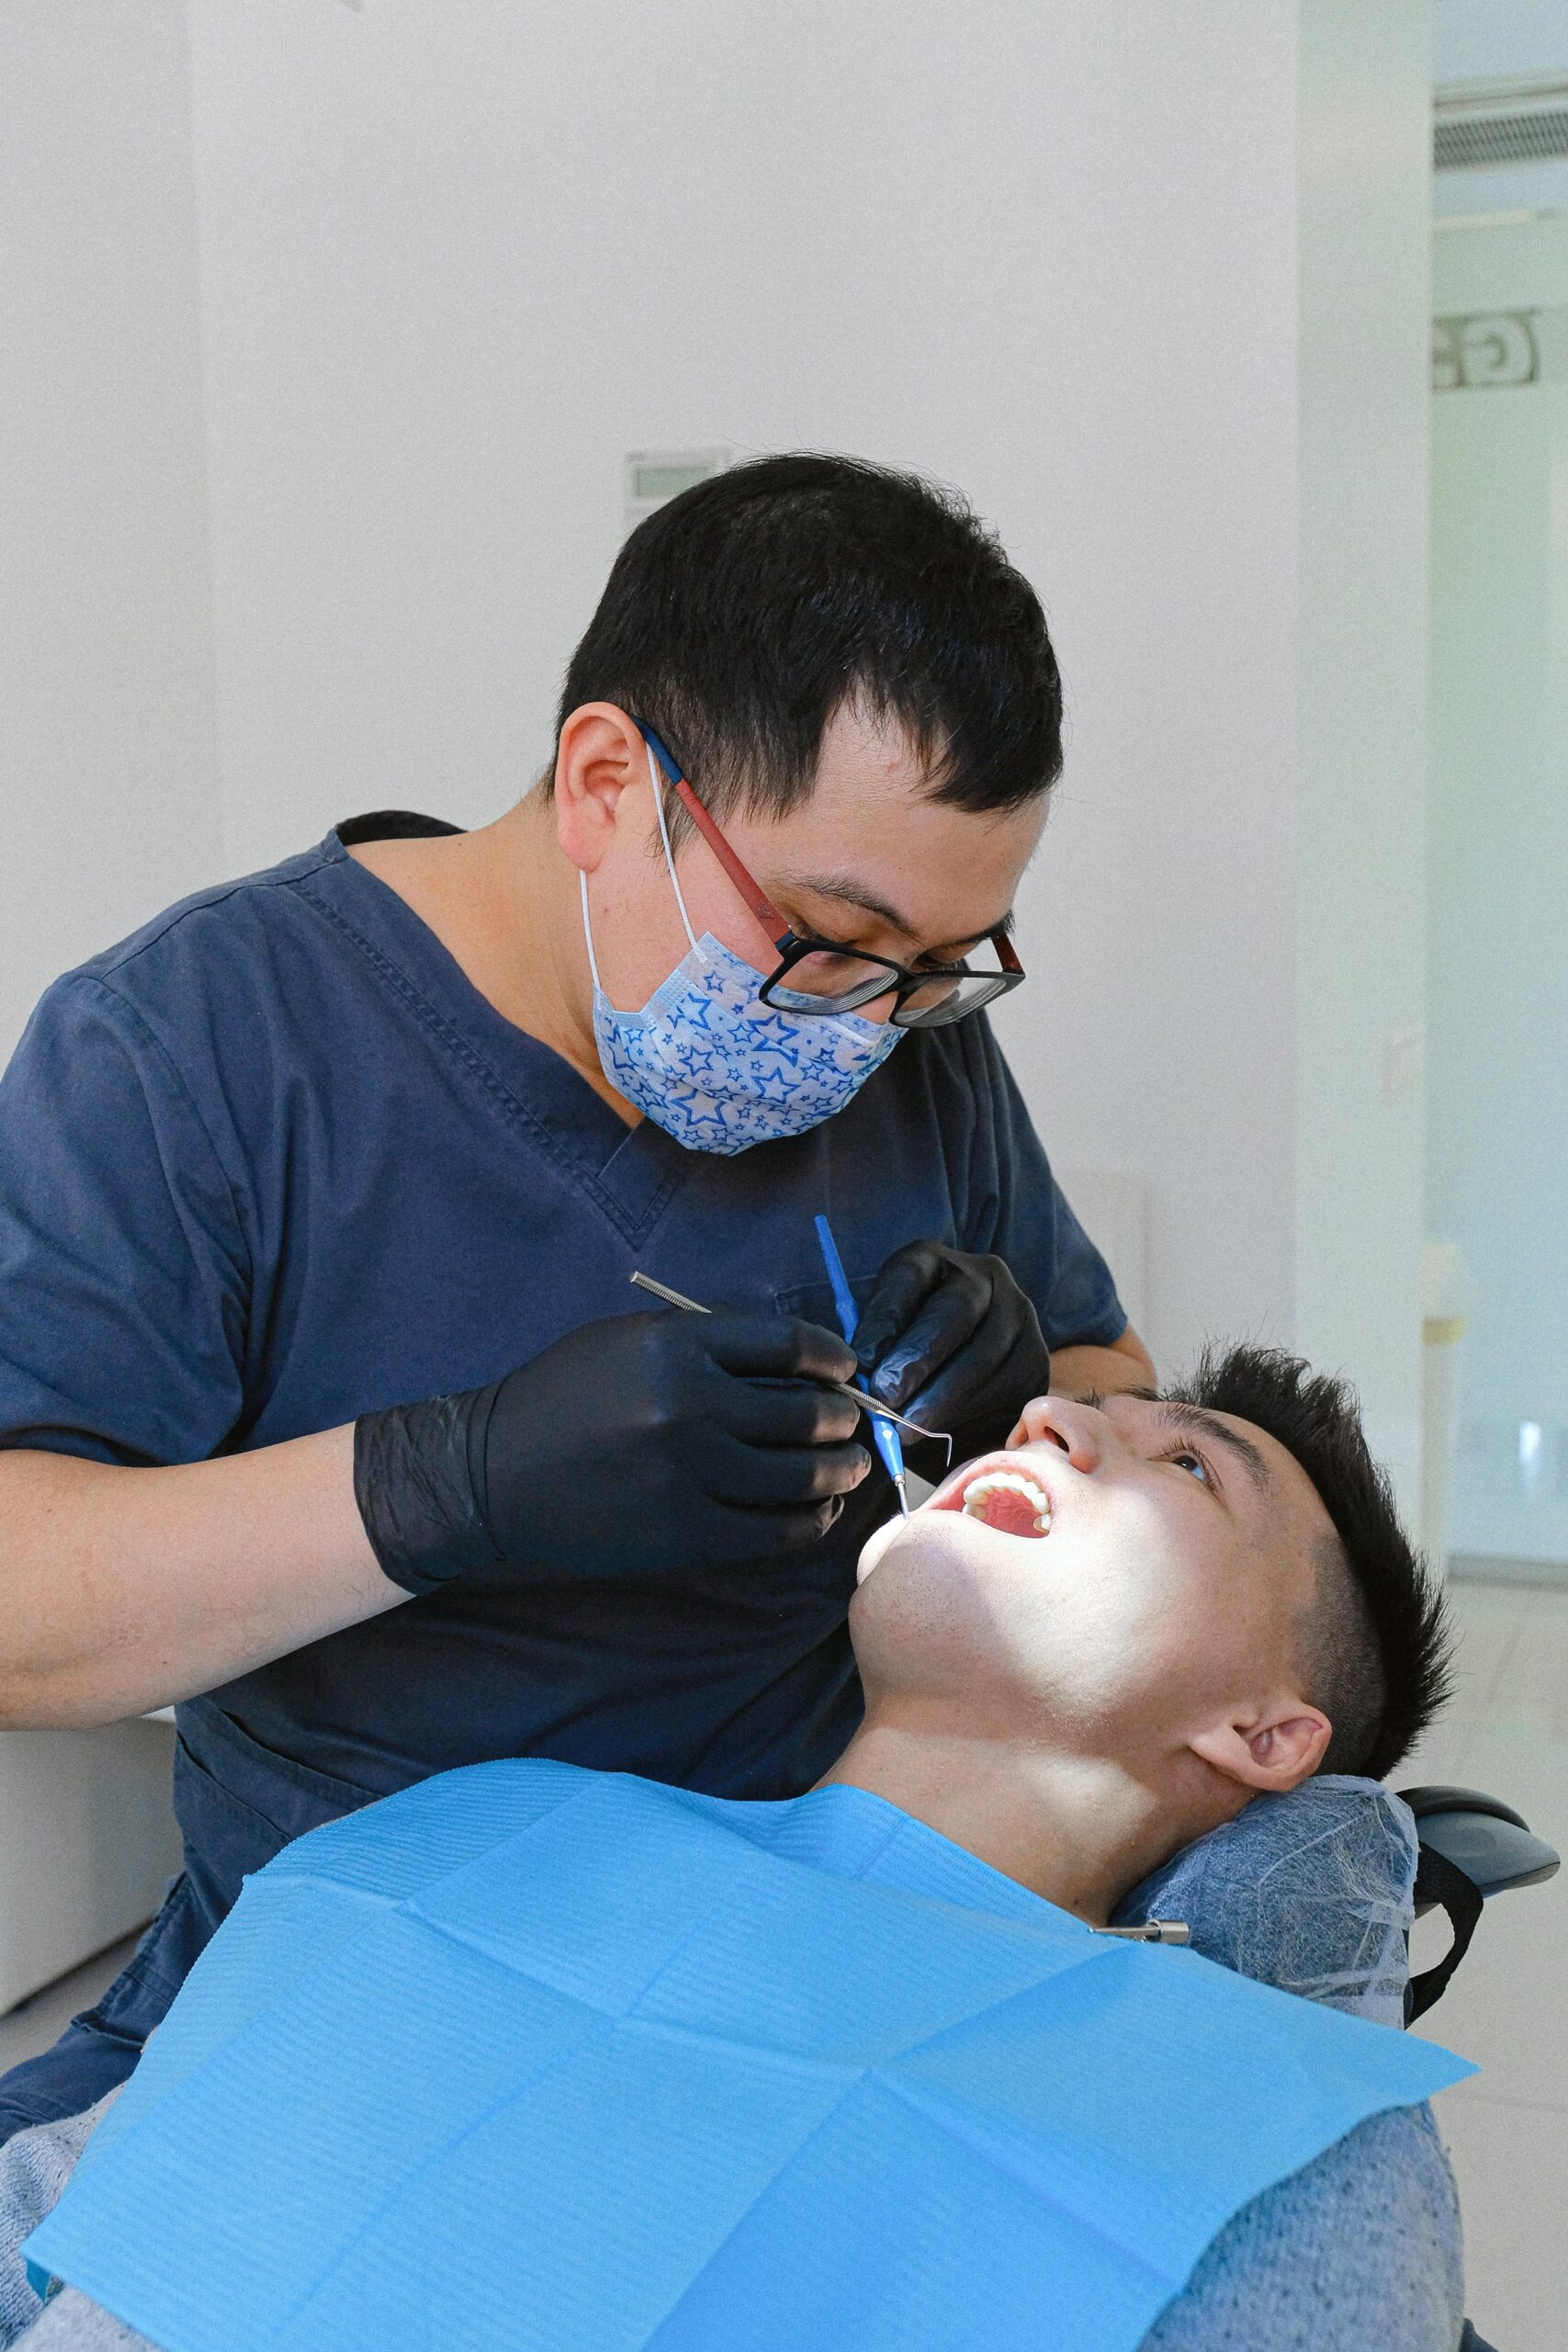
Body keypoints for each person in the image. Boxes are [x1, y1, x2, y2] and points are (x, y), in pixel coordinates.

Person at [0, 455, 1156, 2141]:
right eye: (829, 937)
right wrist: (444, 1481)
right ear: (610, 779)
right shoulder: (193, 1050)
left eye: (939, 970)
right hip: (351, 1998)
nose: (869, 1025)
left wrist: (1030, 1383)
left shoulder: (912, 1043)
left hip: (806, 1964)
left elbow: (1116, 1380)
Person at [2, 1349, 1463, 2352]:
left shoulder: (1270, 2140)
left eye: (1192, 1468)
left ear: (1269, 1737)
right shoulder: (479, 1836)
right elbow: (66, 2206)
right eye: (1079, 1410)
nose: (1050, 1422)